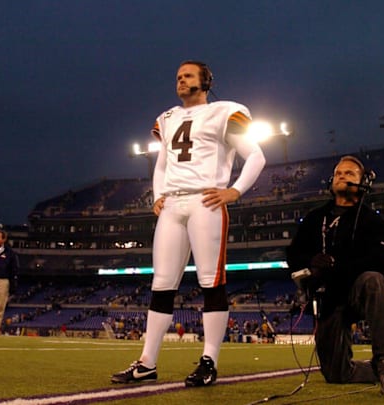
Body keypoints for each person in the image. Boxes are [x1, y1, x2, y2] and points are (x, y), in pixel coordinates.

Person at [111, 60, 266, 386]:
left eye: (188, 75)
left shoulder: (224, 111)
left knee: (211, 281)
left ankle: (209, 360)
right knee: (162, 283)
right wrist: (157, 194)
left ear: (206, 81)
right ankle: (147, 362)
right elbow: (162, 162)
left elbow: (256, 155)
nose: (180, 80)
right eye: (178, 76)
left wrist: (234, 191)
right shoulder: (167, 118)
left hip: (205, 200)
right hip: (172, 204)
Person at [285, 155, 384, 397]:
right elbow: (293, 254)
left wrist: (336, 266)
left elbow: (382, 263)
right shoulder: (314, 218)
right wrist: (311, 262)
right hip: (328, 298)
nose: (342, 176)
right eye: (338, 173)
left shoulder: (375, 221)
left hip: (357, 290)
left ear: (363, 182)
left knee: (373, 279)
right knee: (336, 375)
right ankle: (375, 369)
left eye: (350, 173)